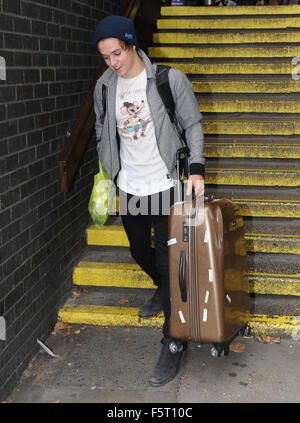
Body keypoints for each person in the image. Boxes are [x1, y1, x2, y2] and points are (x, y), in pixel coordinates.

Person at [93, 15, 205, 386]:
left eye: (117, 52)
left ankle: (172, 341)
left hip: (167, 184)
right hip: (131, 186)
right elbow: (101, 130)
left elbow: (192, 124)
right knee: (139, 250)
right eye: (106, 57)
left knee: (168, 261)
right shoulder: (105, 88)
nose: (113, 62)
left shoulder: (167, 80)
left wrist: (197, 170)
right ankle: (162, 287)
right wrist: (108, 176)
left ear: (131, 44)